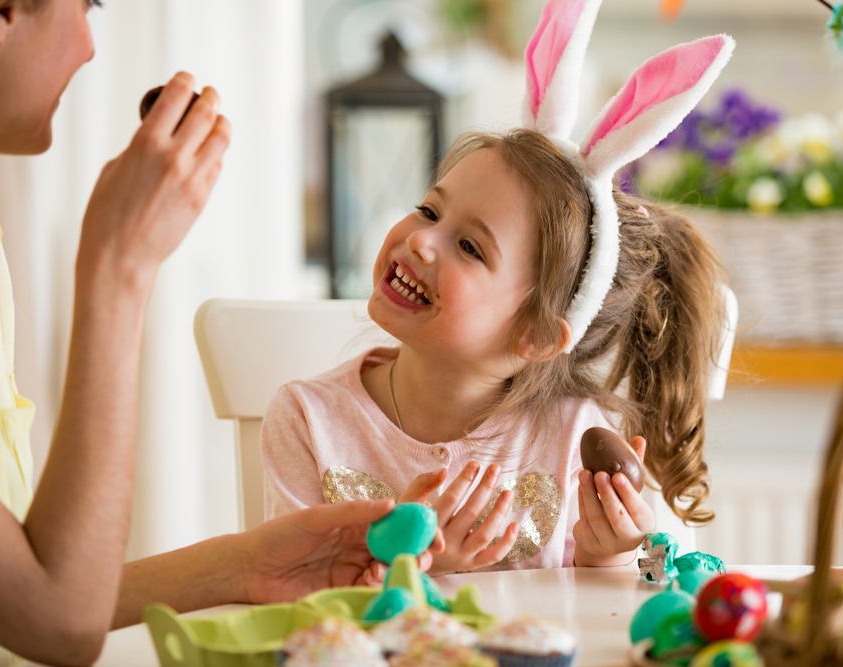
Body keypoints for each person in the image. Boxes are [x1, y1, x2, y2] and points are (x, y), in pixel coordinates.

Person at [0, 1, 439, 665]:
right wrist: (119, 264)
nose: (90, 48)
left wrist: (240, 567)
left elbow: (11, 593)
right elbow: (58, 621)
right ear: (1, 10)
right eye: (85, 6)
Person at [260, 0, 735, 577]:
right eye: (428, 210)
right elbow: (295, 610)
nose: (422, 242)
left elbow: (601, 622)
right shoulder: (309, 420)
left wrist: (603, 554)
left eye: (469, 247)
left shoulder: (574, 437)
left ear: (534, 334)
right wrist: (423, 571)